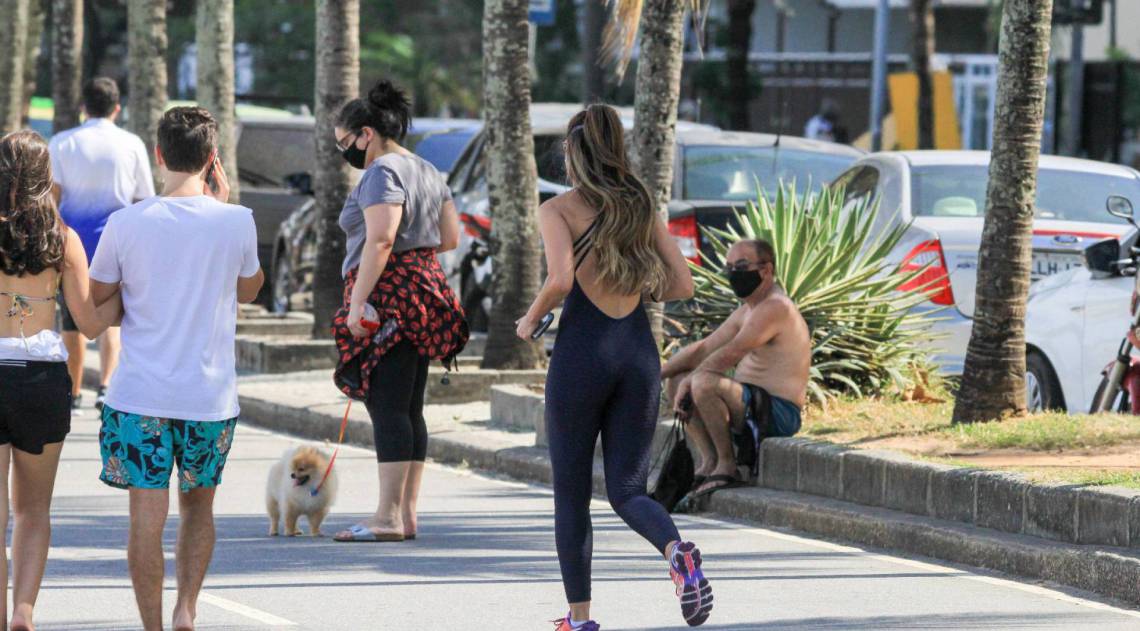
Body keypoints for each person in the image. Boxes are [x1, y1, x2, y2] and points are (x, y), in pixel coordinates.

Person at [516, 104, 713, 630]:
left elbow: (560, 280)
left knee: (572, 495)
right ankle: (677, 553)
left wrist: (530, 319)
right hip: (637, 355)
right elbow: (682, 285)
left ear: (572, 153)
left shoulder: (557, 209)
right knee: (628, 490)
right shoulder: (640, 205)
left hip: (583, 353)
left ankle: (579, 620)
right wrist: (633, 284)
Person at [88, 107, 264, 631]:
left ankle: (154, 627)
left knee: (146, 519)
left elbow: (100, 298)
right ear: (212, 160)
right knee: (198, 510)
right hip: (208, 399)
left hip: (139, 395)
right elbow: (249, 290)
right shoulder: (237, 221)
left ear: (159, 154)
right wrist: (224, 210)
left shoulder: (125, 223)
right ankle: (187, 609)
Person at [329, 79, 465, 543]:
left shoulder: (382, 172)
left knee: (387, 406)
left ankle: (386, 517)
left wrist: (358, 301)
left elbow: (380, 239)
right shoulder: (427, 168)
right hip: (425, 292)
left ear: (366, 133)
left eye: (345, 143)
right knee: (409, 407)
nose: (346, 152)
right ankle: (405, 515)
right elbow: (450, 238)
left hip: (388, 297)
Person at [0, 130, 121, 631]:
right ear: (44, 177)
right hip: (44, 375)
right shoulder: (63, 239)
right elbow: (90, 324)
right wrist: (126, 296)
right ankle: (24, 612)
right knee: (32, 511)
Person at [662, 239, 810, 497]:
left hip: (778, 412)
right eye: (729, 267)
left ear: (766, 270)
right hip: (750, 402)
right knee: (677, 378)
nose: (734, 274)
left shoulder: (776, 307)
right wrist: (656, 376)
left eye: (741, 267)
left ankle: (728, 466)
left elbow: (732, 352)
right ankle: (709, 463)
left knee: (703, 382)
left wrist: (690, 383)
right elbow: (704, 348)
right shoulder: (748, 309)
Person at [49, 77, 155, 411]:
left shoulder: (62, 142)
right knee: (110, 313)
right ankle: (107, 385)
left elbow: (51, 198)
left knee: (71, 318)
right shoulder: (132, 144)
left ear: (83, 107)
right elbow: (144, 199)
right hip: (118, 240)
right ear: (117, 108)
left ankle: (74, 387)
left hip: (71, 241)